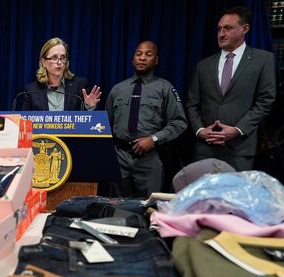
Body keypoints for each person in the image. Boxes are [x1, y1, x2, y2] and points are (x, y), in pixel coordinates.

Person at [186, 6, 276, 171]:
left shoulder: (263, 60)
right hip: (205, 150)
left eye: (227, 28)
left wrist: (238, 129)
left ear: (245, 29)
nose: (221, 33)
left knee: (234, 197)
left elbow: (265, 100)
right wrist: (200, 130)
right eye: (219, 29)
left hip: (239, 149)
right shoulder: (203, 65)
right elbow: (192, 103)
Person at [105, 41, 187, 197]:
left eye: (148, 54)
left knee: (149, 206)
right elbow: (105, 125)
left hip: (149, 159)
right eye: (138, 54)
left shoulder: (165, 88)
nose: (142, 58)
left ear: (156, 60)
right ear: (132, 59)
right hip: (119, 157)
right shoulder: (117, 89)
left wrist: (153, 139)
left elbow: (179, 122)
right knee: (116, 206)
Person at [19, 37, 101, 111]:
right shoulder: (31, 90)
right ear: (43, 62)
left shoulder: (80, 85)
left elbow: (87, 122)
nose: (59, 62)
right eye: (54, 58)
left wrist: (89, 106)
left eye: (62, 57)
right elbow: (24, 122)